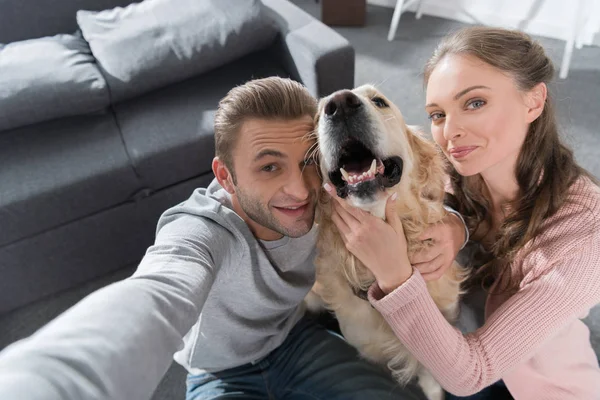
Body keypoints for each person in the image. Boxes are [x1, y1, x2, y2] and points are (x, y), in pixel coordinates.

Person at [0, 77, 466, 400]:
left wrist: (452, 224)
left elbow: (412, 181)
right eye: (268, 167)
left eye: (306, 161)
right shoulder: (199, 233)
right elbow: (155, 294)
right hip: (219, 372)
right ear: (224, 176)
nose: (298, 189)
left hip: (294, 340)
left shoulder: (330, 206)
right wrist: (46, 382)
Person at [324, 26, 600, 400]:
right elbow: (439, 185)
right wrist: (456, 224)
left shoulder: (585, 238)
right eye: (437, 114)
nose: (450, 133)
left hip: (530, 387)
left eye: (474, 103)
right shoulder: (461, 166)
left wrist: (395, 275)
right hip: (445, 345)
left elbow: (472, 374)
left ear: (533, 102)